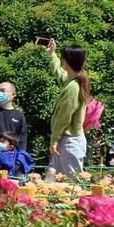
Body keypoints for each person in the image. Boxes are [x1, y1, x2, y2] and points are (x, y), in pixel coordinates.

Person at [45, 39, 89, 181]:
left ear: (66, 61)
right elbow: (60, 74)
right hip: (67, 141)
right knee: (55, 182)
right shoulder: (73, 80)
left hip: (69, 142)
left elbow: (63, 118)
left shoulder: (73, 87)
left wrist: (54, 140)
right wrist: (52, 55)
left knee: (72, 184)